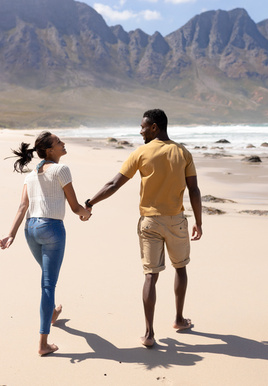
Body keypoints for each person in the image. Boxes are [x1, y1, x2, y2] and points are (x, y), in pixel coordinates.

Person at [85, 109, 203, 347]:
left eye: (142, 127)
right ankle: (179, 319)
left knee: (151, 275)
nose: (140, 131)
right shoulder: (183, 152)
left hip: (149, 222)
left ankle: (149, 334)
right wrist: (199, 222)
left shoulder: (141, 153)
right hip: (177, 220)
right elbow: (194, 190)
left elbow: (113, 184)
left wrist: (89, 203)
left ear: (154, 127)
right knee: (180, 269)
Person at [0, 131, 91, 356]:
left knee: (47, 277)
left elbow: (22, 207)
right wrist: (86, 214)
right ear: (50, 150)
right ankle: (42, 343)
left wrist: (11, 234)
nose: (63, 143)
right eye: (59, 142)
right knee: (48, 284)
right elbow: (75, 206)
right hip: (51, 229)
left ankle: (51, 313)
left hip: (30, 229)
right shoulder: (61, 169)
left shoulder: (31, 175)